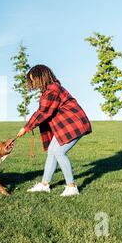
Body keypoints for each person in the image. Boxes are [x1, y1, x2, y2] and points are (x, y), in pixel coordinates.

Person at [16, 65, 92, 196]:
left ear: (41, 77)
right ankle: (45, 185)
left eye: (33, 80)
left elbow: (43, 112)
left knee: (58, 151)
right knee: (52, 151)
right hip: (67, 125)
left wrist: (26, 127)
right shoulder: (48, 90)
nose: (32, 83)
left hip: (74, 124)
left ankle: (72, 187)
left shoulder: (52, 90)